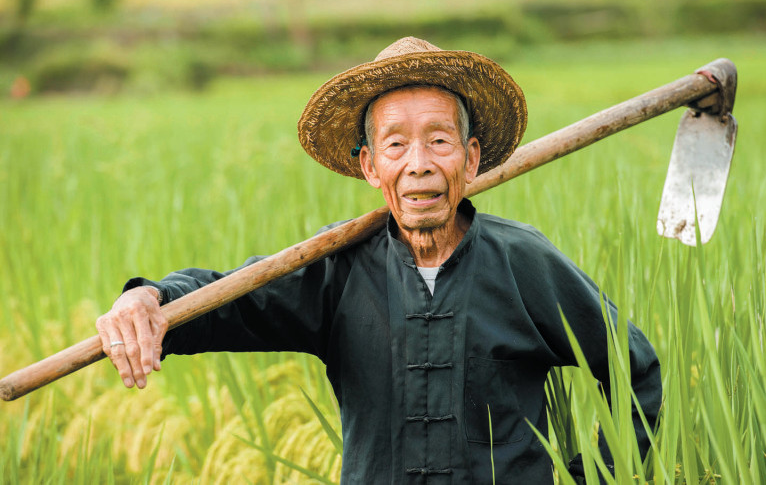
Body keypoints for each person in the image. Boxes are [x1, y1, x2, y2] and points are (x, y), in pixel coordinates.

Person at [96, 37, 661, 483]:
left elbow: (635, 369)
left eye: (439, 141)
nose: (418, 163)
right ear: (370, 166)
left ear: (471, 159)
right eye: (396, 145)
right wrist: (150, 299)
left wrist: (597, 478)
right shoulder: (335, 270)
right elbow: (231, 299)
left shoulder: (524, 262)